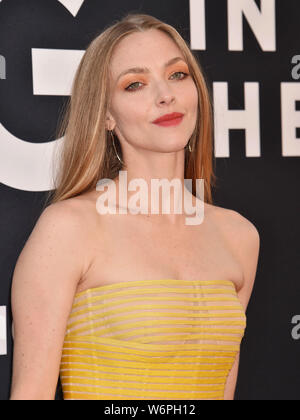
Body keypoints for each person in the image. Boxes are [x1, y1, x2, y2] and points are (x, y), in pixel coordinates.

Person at [9, 13, 260, 400]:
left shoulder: (238, 236)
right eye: (135, 84)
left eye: (178, 75)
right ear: (107, 114)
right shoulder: (69, 229)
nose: (165, 95)